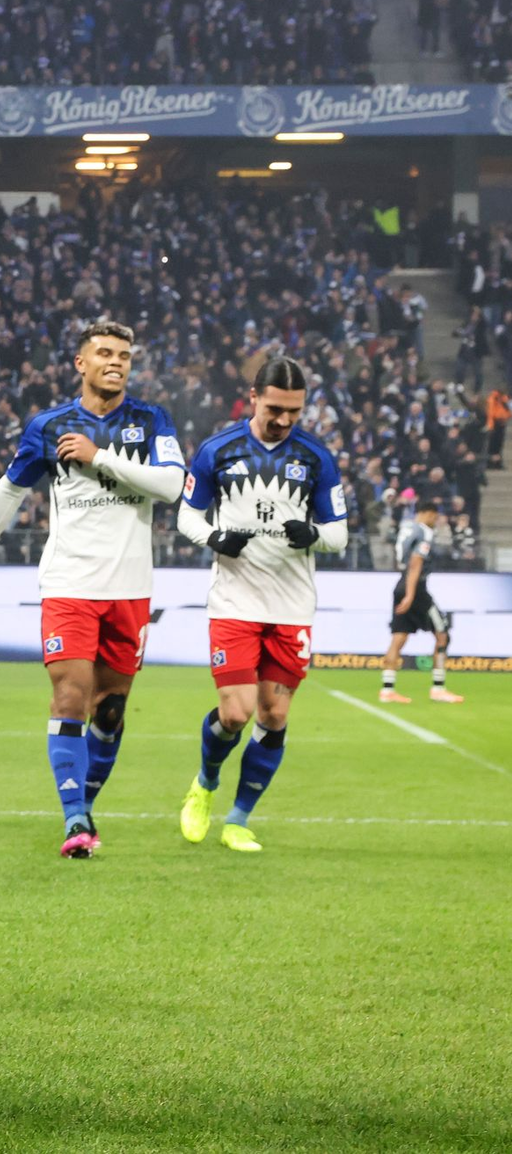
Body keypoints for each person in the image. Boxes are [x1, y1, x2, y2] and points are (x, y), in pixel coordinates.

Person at [0, 320, 185, 858]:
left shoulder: (151, 420)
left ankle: (85, 801)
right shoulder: (49, 425)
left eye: (124, 355)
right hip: (69, 583)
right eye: (104, 352)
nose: (116, 362)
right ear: (80, 363)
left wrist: (98, 456)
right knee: (69, 697)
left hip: (129, 589)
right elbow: (9, 491)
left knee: (109, 711)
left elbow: (171, 485)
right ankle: (75, 818)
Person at [176, 357, 349, 854]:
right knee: (236, 713)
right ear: (253, 396)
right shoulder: (217, 450)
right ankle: (205, 783)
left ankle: (238, 820)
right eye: (276, 408)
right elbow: (187, 517)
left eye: (294, 410)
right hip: (235, 600)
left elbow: (338, 532)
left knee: (273, 715)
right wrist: (215, 537)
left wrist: (313, 534)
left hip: (292, 607)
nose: (285, 420)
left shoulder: (317, 458)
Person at [379, 499, 464, 705]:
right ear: (427, 513)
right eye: (434, 517)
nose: (435, 521)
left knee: (398, 637)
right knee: (442, 634)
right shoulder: (424, 531)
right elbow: (416, 563)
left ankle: (387, 690)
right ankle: (438, 688)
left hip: (400, 583)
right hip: (415, 587)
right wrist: (411, 594)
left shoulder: (405, 527)